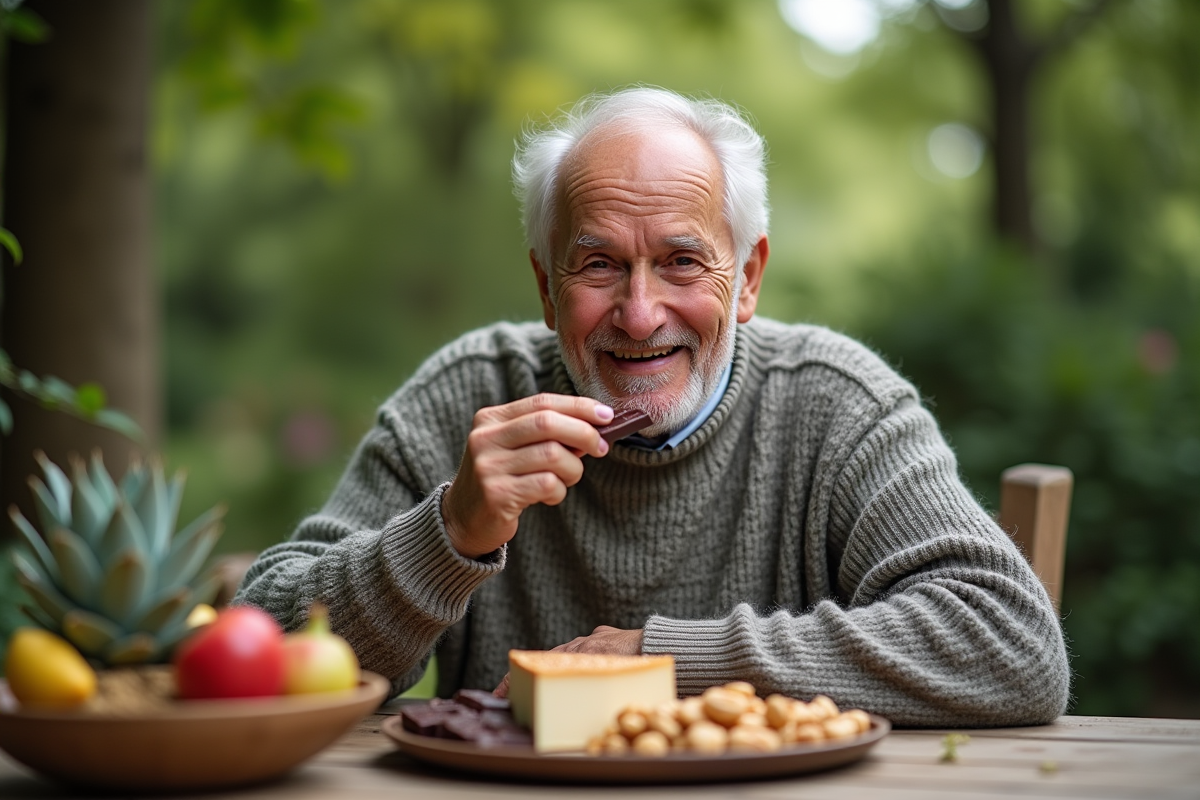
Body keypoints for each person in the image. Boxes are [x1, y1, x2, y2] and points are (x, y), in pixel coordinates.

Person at [236, 87, 1070, 727]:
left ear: (745, 278)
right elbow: (258, 650)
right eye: (598, 265)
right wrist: (446, 535)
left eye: (681, 261)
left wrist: (667, 655)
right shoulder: (472, 393)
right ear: (545, 285)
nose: (639, 315)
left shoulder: (836, 407)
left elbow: (1012, 645)